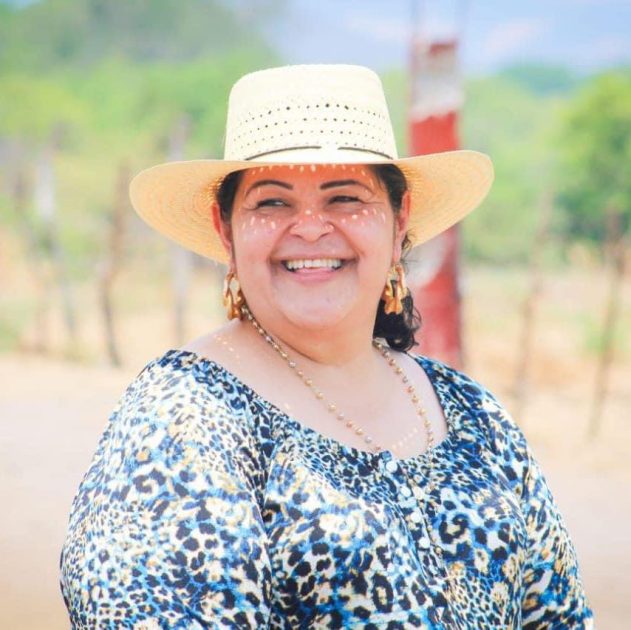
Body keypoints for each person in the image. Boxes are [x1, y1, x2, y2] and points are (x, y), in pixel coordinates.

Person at [60, 64, 594, 629]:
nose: (311, 228)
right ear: (226, 229)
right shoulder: (183, 417)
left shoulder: (473, 413)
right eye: (272, 203)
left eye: (345, 198)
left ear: (399, 222)